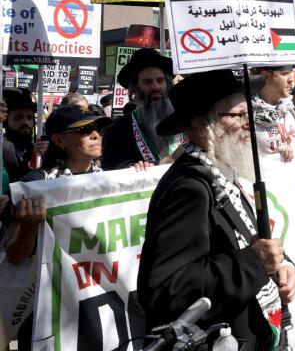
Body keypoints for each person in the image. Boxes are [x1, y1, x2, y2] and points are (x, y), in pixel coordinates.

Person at [138, 70, 295, 349]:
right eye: (237, 116)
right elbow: (166, 291)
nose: (248, 124)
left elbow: (251, 243)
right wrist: (254, 264)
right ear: (202, 125)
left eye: (247, 114)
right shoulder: (189, 188)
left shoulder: (222, 175)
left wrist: (287, 269)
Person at [3, 105, 114, 350]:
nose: (96, 134)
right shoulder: (36, 185)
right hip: (43, 308)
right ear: (59, 140)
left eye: (98, 129)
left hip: (90, 301)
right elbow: (13, 255)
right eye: (86, 130)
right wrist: (31, 228)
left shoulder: (110, 181)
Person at [101, 48, 179, 169]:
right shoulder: (118, 128)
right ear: (135, 88)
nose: (155, 87)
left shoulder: (185, 120)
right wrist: (133, 168)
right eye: (147, 82)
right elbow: (111, 168)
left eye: (160, 80)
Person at [250, 66, 295, 161]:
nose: (291, 80)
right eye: (285, 74)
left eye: (291, 73)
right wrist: (274, 157)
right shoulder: (244, 113)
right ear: (265, 76)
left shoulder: (289, 109)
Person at [1, 88, 47, 186]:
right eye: (18, 117)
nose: (26, 122)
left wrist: (46, 157)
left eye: (29, 117)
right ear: (6, 121)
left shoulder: (37, 149)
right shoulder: (2, 147)